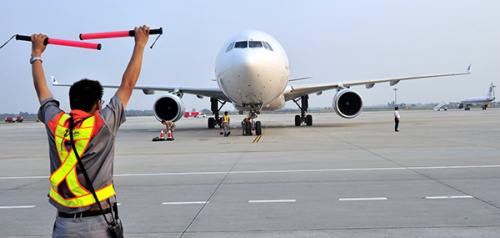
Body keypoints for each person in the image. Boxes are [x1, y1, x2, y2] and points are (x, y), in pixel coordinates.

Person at [32, 26, 150, 237]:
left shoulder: (55, 123)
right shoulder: (103, 124)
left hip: (65, 225)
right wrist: (140, 43)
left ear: (70, 102)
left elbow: (42, 90)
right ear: (98, 104)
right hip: (99, 223)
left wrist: (36, 54)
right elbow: (129, 83)